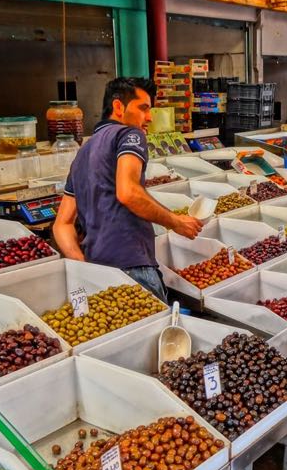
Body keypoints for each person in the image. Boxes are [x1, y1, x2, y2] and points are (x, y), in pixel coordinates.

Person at [53, 77, 203, 302]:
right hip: (133, 267)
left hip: (98, 275)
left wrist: (83, 266)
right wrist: (175, 221)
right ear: (118, 107)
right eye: (143, 108)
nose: (149, 118)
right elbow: (128, 192)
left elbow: (62, 224)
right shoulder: (129, 135)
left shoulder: (83, 153)